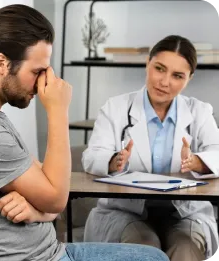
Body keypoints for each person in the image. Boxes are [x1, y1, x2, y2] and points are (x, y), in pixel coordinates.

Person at [0, 4, 169, 261]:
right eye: (37, 71)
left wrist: (38, 211)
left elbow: (52, 194)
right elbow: (57, 199)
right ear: (2, 63)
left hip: (49, 252)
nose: (43, 83)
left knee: (152, 255)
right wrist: (58, 112)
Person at [82, 35, 219, 261]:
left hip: (184, 212)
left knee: (185, 250)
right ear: (148, 64)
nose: (164, 82)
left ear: (189, 79)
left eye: (177, 76)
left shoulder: (200, 112)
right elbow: (91, 157)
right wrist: (114, 160)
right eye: (159, 68)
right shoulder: (115, 108)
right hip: (125, 211)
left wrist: (197, 162)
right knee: (144, 249)